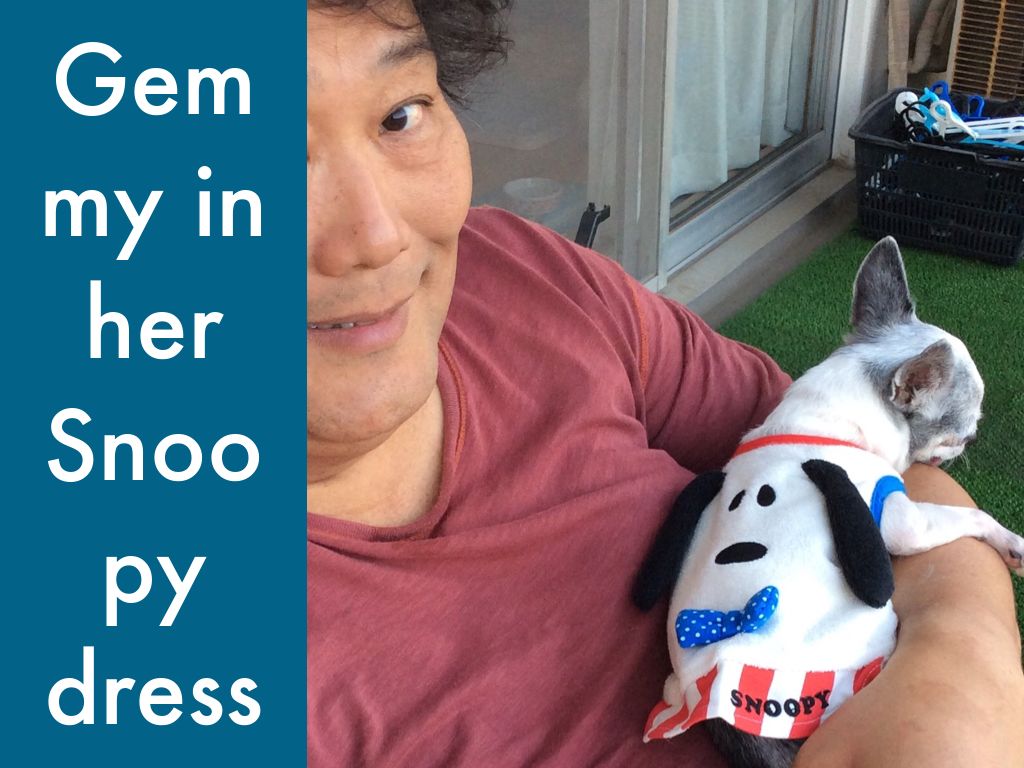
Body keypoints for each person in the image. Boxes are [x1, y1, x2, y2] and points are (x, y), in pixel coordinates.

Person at [306, 1, 1024, 765]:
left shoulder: (525, 278)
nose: (376, 237)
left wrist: (960, 657)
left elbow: (847, 458)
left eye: (399, 116)